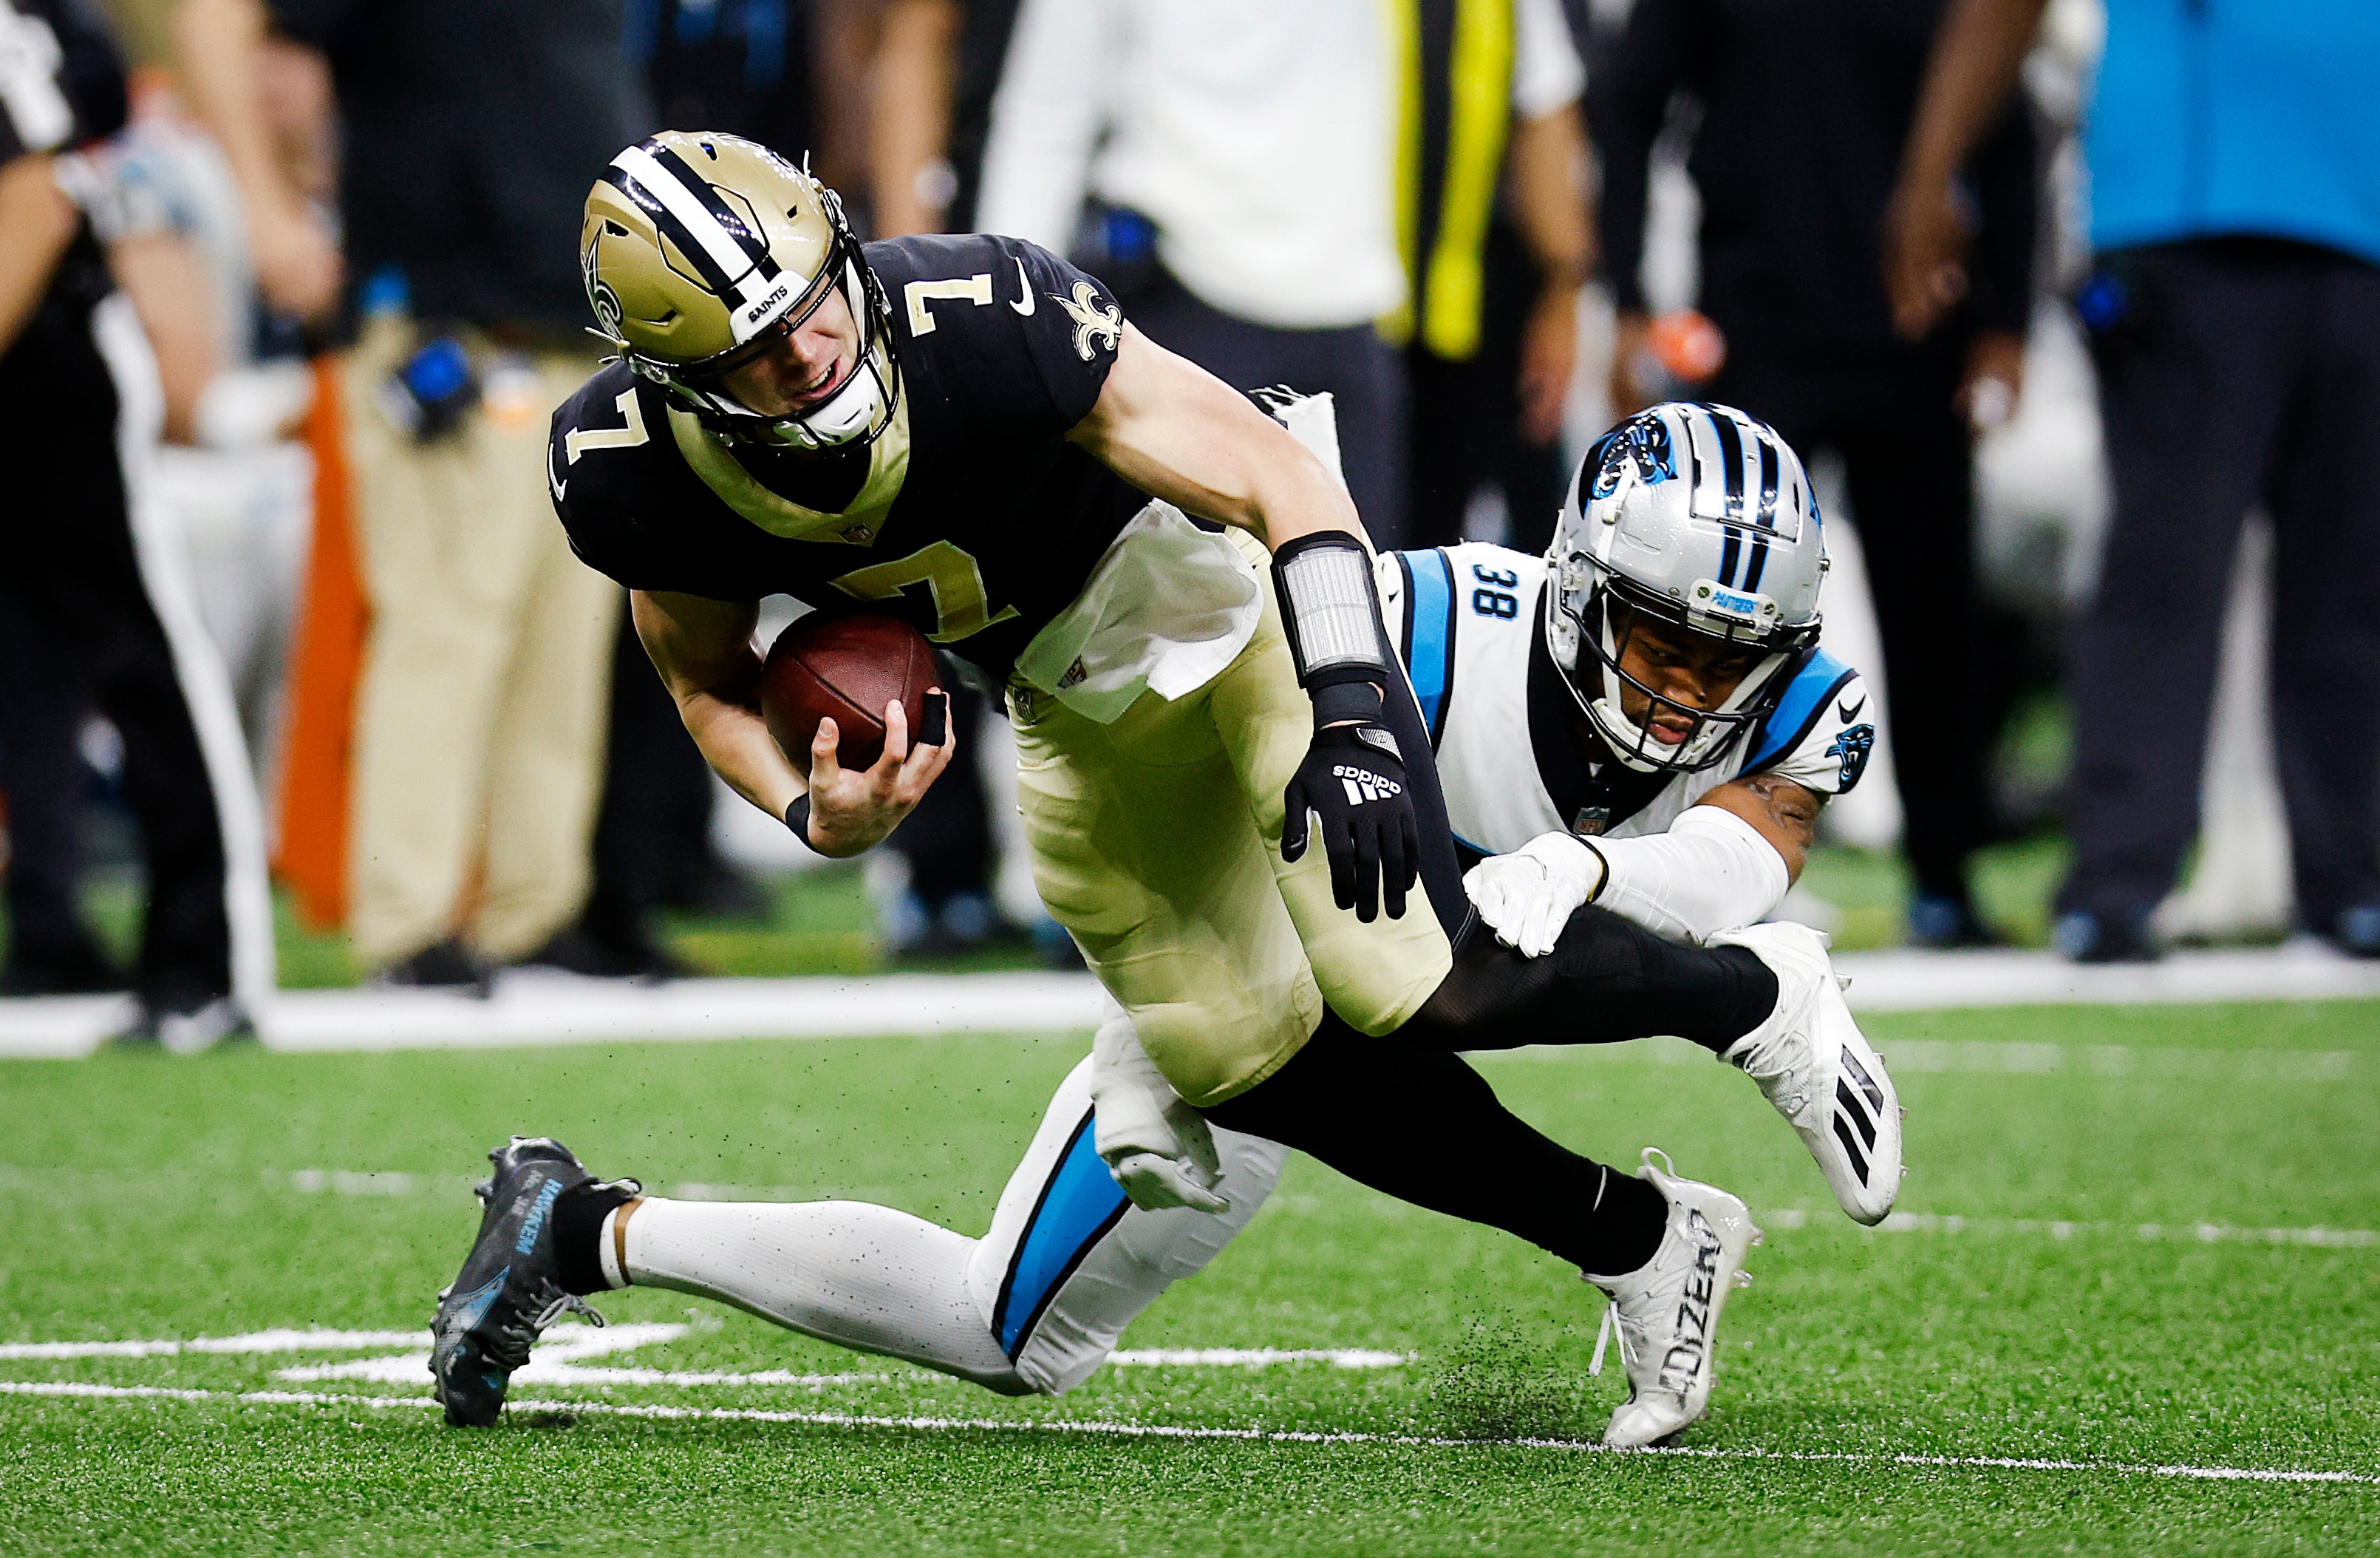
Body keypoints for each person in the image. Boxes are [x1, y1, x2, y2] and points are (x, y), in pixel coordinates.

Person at [436, 171, 1900, 1442]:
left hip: (1224, 607)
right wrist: (813, 814)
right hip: (1081, 728)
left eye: (816, 304)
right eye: (758, 352)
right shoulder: (628, 471)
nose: (812, 352)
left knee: (1407, 972)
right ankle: (1638, 1238)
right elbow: (703, 674)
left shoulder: (980, 313)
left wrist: (1355, 711)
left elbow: (1276, 482)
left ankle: (1749, 996)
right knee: (1058, 1275)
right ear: (679, 384)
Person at [1886, 0, 2380, 962]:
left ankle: (2348, 880)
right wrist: (1931, 167)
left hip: (2360, 228)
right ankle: (2114, 884)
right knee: (2164, 572)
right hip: (2184, 223)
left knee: (2351, 580)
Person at [175, 0, 653, 987]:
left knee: (562, 639)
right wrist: (266, 209)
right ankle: (407, 919)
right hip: (444, 316)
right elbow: (218, 16)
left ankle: (534, 910)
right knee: (447, 621)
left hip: (576, 317)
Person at [1591, 0, 2036, 949]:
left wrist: (2007, 323)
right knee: (1719, 619)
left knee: (1932, 615)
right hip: (1757, 324)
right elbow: (1628, 101)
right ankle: (1698, 865)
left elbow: (2005, 118)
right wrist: (1625, 299)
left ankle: (1945, 877)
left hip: (1918, 325)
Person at [0, 0, 274, 1044]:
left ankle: (206, 959)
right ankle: (47, 923)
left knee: (139, 648)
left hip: (47, 364)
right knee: (26, 666)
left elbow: (33, 198)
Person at [972, 0, 1416, 544]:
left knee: (1360, 587)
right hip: (1177, 321)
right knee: (1189, 597)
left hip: (1344, 316)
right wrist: (1002, 342)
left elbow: (1041, 121)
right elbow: (1044, 121)